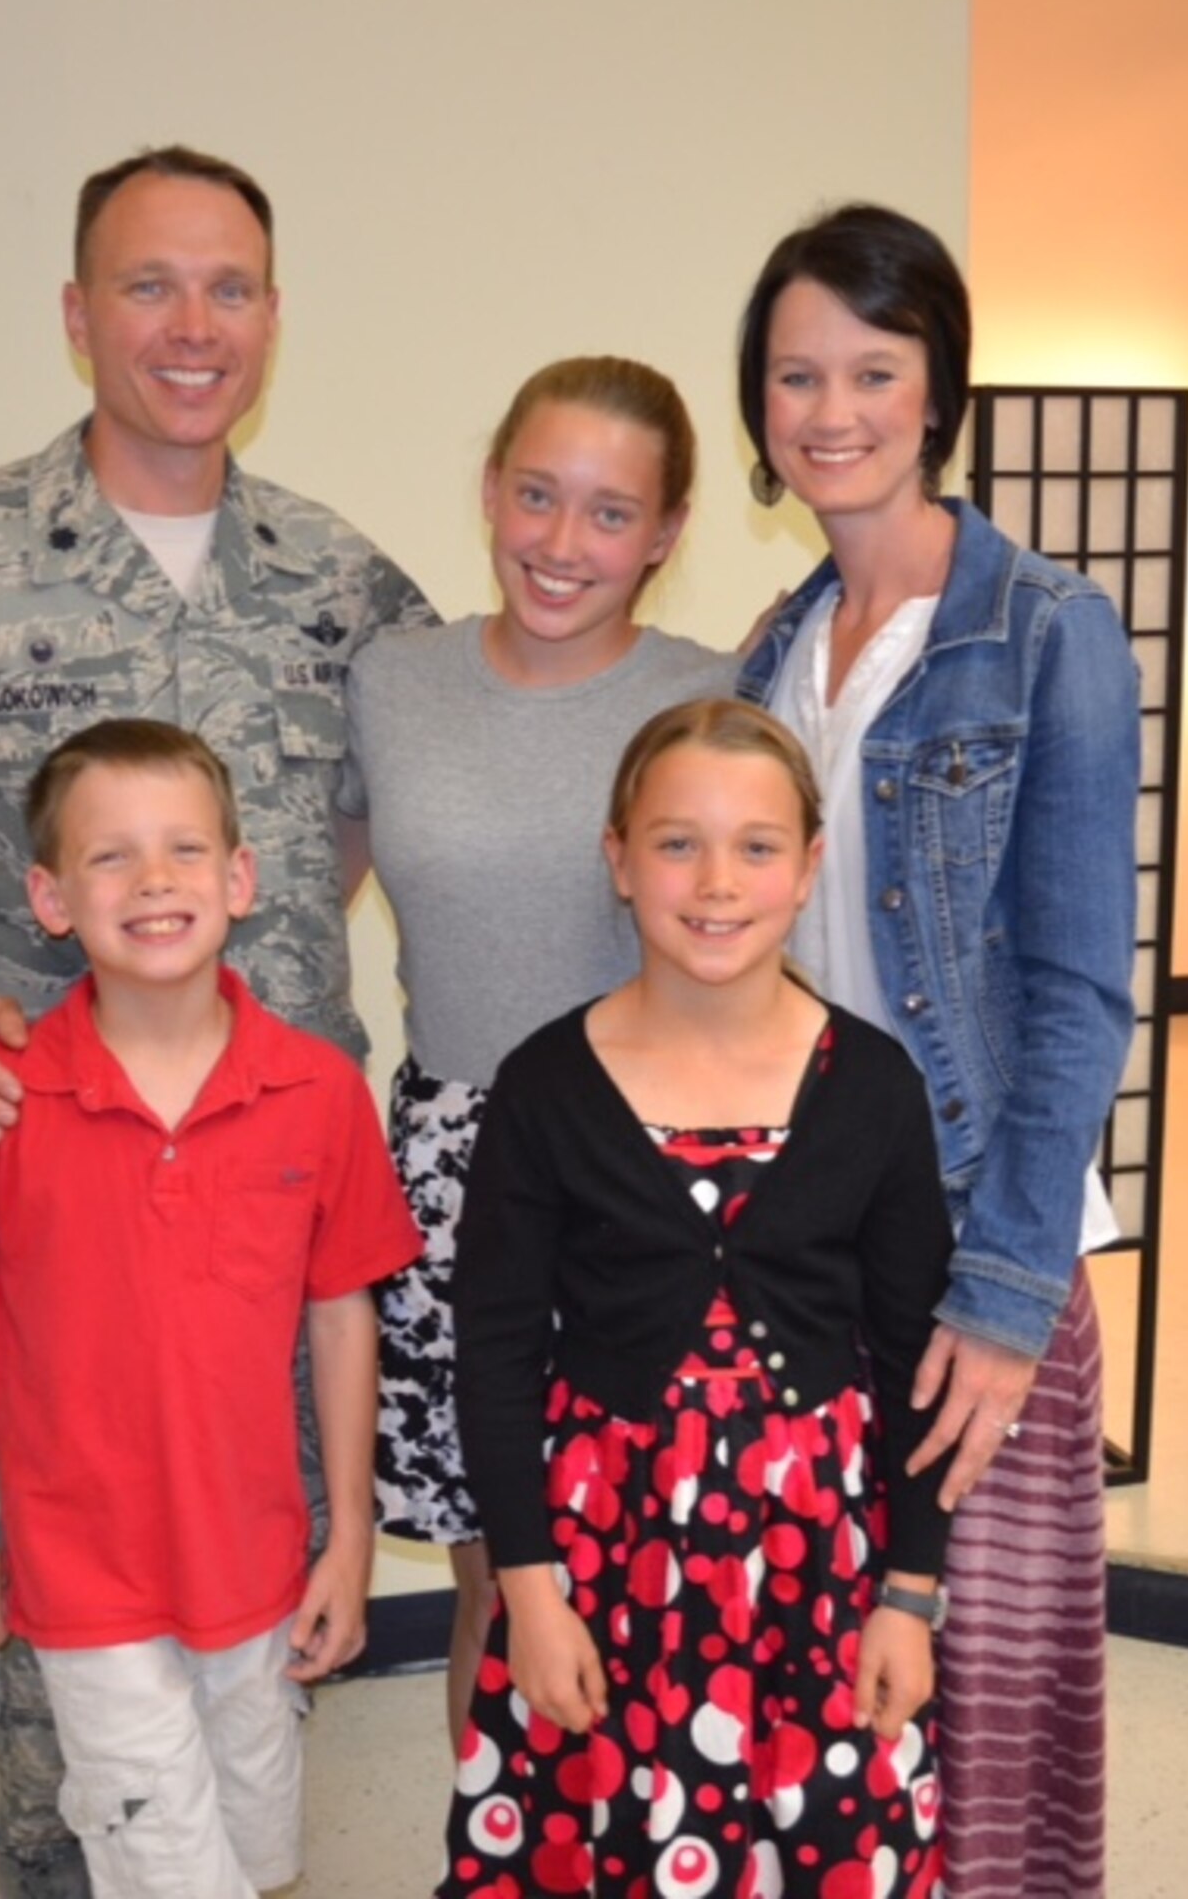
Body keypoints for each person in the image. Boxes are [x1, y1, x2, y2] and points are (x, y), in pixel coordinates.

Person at [0, 143, 432, 1898]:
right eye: (147, 284)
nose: (193, 326)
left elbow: (440, 795)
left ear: (274, 318)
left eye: (231, 287)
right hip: (37, 1262)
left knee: (257, 1691)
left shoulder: (344, 588)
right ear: (74, 315)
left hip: (264, 1239)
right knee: (63, 1741)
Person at [735, 203, 1140, 1899]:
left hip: (985, 1236)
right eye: (795, 373)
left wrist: (1001, 1293)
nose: (832, 409)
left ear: (937, 389)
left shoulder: (1047, 628)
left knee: (991, 1711)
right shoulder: (772, 647)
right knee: (835, 1690)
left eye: (873, 371)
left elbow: (1074, 991)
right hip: (814, 1243)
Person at [0, 720, 421, 1899]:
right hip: (87, 1577)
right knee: (169, 1869)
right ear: (51, 895)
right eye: (111, 856)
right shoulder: (4, 1091)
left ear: (240, 877)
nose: (155, 879)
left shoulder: (317, 1089)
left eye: (183, 848)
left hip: (260, 1563)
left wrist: (350, 1540)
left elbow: (342, 1315)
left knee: (259, 1849)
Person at [439, 698, 955, 1897]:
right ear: (618, 860)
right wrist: (528, 1589)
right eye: (677, 842)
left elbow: (916, 1357)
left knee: (832, 1844)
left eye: (757, 846)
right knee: (618, 1836)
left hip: (820, 1561)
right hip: (603, 1558)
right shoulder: (546, 1084)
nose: (717, 880)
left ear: (809, 864)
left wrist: (911, 1595)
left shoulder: (874, 1086)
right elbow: (498, 1350)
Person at [338, 357, 736, 1745]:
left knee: (673, 1584)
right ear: (491, 490)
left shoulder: (714, 698)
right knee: (503, 1594)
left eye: (610, 514)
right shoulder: (393, 682)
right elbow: (286, 902)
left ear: (669, 532)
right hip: (454, 1173)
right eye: (535, 496)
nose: (563, 546)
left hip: (659, 1171)